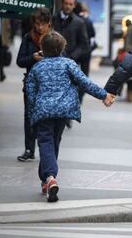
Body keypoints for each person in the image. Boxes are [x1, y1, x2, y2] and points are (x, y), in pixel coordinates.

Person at [26, 31, 110, 202]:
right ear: (62, 48)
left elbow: (30, 93)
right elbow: (84, 82)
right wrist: (103, 95)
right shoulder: (68, 64)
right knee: (53, 142)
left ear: (43, 49)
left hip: (43, 111)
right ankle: (46, 180)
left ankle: (49, 177)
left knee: (45, 143)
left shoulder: (37, 67)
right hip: (63, 111)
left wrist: (31, 115)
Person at [16, 7, 52, 162]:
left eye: (42, 24)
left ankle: (46, 149)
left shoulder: (53, 39)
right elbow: (19, 61)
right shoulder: (28, 38)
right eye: (37, 24)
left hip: (50, 85)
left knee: (46, 118)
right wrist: (33, 57)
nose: (39, 27)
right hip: (31, 83)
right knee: (29, 116)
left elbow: (64, 59)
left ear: (48, 24)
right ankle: (29, 149)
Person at [52, 0, 89, 65]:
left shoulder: (79, 22)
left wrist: (73, 56)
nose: (68, 7)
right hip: (54, 59)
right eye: (66, 4)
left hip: (71, 61)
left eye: (71, 4)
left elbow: (83, 43)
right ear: (62, 3)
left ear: (74, 5)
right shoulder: (53, 19)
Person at [77, 2, 97, 103]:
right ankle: (80, 97)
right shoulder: (88, 21)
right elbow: (93, 36)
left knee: (74, 74)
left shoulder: (75, 19)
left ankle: (75, 95)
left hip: (75, 52)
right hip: (86, 52)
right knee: (84, 76)